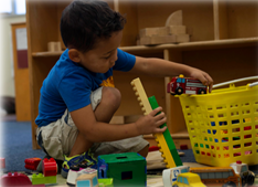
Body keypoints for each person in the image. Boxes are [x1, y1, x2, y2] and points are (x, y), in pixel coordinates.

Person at [35, 0, 213, 178]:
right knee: (111, 95)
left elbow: (145, 65)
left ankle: (59, 161)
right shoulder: (69, 76)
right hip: (53, 135)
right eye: (107, 55)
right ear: (75, 55)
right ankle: (73, 159)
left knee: (139, 149)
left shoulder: (104, 53)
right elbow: (90, 130)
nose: (114, 58)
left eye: (115, 50)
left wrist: (188, 70)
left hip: (77, 131)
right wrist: (138, 126)